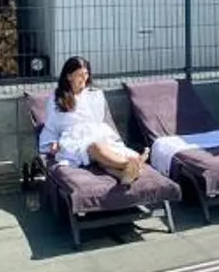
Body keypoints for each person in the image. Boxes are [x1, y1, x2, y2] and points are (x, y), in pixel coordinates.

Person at [39, 56, 149, 185]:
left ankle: (123, 174)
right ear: (69, 76)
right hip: (73, 139)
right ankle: (131, 164)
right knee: (96, 147)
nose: (84, 78)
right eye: (80, 75)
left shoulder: (94, 94)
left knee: (110, 153)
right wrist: (52, 142)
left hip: (96, 133)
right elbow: (51, 124)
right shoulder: (57, 98)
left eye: (86, 74)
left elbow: (98, 120)